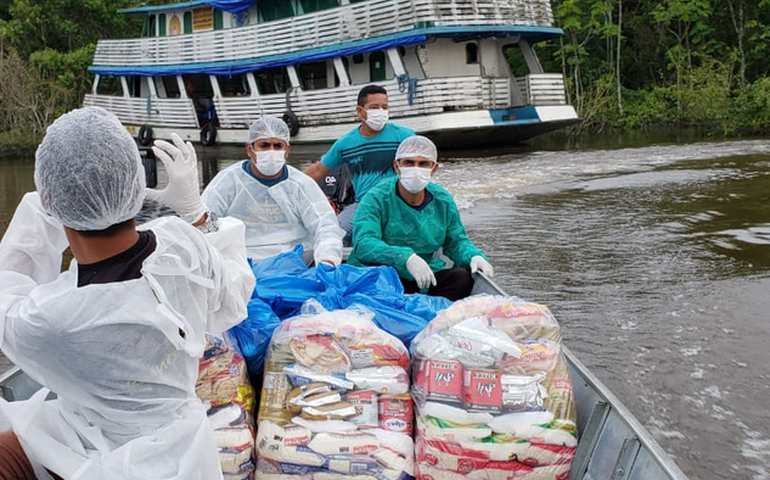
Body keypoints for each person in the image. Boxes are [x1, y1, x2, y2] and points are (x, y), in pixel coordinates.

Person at [0, 107, 254, 479]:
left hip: (84, 448)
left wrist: (37, 214)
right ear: (135, 183)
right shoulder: (183, 247)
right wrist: (198, 215)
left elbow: (9, 281)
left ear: (52, 202)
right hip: (182, 453)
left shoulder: (48, 319)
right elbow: (234, 299)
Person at [348, 135, 493, 301]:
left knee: (461, 278)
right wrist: (405, 258)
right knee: (377, 283)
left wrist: (474, 256)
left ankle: (435, 316)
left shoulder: (442, 200)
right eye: (409, 163)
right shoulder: (376, 198)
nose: (416, 168)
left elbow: (456, 241)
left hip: (425, 272)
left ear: (434, 168)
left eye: (423, 163)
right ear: (397, 166)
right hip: (384, 272)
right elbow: (364, 243)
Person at [202, 116, 343, 266]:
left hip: (294, 264)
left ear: (287, 150)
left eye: (277, 145)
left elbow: (325, 224)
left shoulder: (300, 183)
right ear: (250, 149)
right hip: (240, 266)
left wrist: (327, 260)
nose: (271, 151)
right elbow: (206, 223)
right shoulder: (228, 181)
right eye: (264, 145)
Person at [305, 85, 414, 246]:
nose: (381, 112)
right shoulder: (346, 143)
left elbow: (422, 167)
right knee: (334, 236)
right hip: (363, 204)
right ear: (360, 111)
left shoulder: (405, 136)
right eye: (374, 107)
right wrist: (288, 184)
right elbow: (319, 170)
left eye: (385, 107)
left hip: (399, 202)